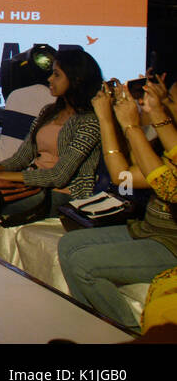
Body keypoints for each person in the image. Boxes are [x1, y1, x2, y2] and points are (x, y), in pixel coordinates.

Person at [0, 48, 102, 247]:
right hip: (33, 183)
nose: (50, 79)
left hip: (62, 194)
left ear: (76, 80)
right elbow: (21, 158)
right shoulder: (49, 111)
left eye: (57, 75)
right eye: (51, 73)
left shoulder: (90, 122)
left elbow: (59, 176)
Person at [58, 75, 177, 331]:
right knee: (68, 245)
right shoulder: (167, 147)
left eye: (168, 99)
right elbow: (124, 174)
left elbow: (151, 181)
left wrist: (129, 124)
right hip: (148, 231)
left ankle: (126, 333)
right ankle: (93, 328)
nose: (160, 102)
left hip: (170, 246)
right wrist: (110, 118)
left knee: (82, 264)